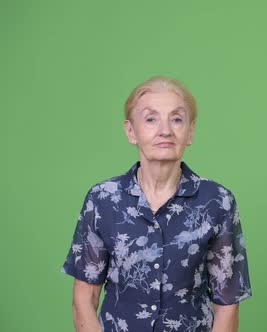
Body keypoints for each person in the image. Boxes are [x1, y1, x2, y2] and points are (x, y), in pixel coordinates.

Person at [62, 76, 251, 332]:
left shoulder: (218, 201)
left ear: (190, 131)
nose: (165, 130)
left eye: (176, 119)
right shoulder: (102, 200)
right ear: (131, 131)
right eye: (151, 119)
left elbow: (227, 304)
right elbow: (85, 297)